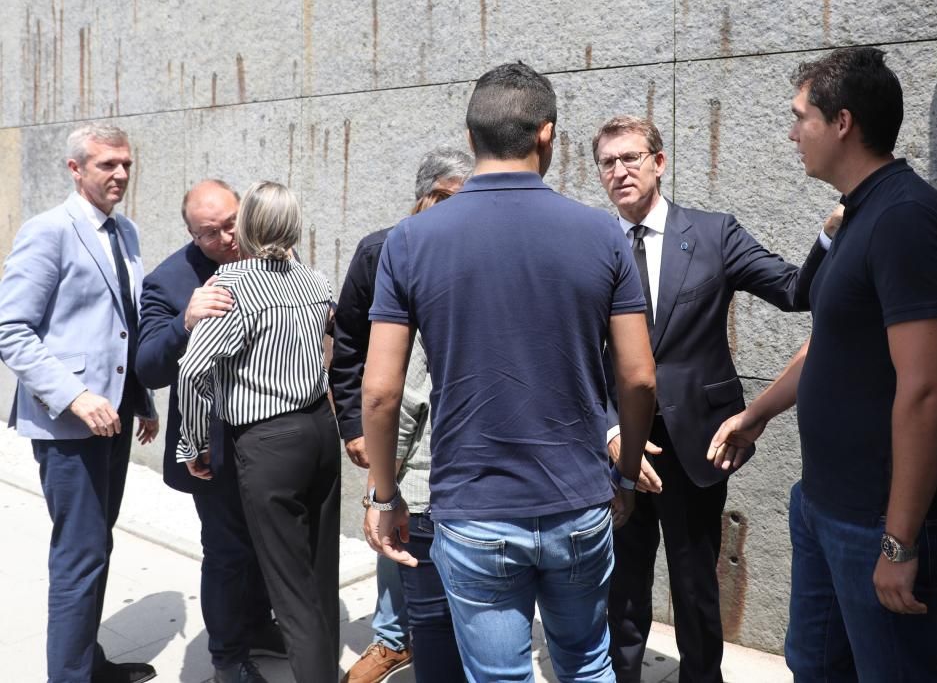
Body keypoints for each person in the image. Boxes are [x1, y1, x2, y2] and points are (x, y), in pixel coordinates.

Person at [363, 62, 658, 682]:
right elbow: (637, 379)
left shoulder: (411, 241)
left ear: (471, 140)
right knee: (586, 665)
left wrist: (384, 494)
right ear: (547, 135)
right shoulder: (602, 233)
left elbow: (382, 390)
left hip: (472, 509)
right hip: (578, 500)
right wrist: (626, 476)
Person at [710, 46, 937, 682]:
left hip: (876, 523)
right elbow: (830, 341)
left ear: (842, 122)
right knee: (815, 668)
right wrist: (756, 414)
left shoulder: (906, 219)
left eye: (801, 117)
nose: (793, 133)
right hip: (822, 506)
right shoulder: (856, 214)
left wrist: (899, 541)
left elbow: (929, 389)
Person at [593, 116, 833, 683]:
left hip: (695, 444)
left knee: (695, 586)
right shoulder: (592, 244)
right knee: (621, 589)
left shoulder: (713, 232)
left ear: (659, 161)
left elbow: (796, 291)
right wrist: (609, 433)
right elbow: (576, 351)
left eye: (632, 157)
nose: (621, 171)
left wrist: (830, 236)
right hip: (616, 446)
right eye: (608, 162)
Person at [0, 124, 159, 683]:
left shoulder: (126, 232)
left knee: (95, 549)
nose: (119, 175)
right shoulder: (49, 231)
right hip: (70, 427)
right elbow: (11, 330)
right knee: (79, 557)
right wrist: (75, 396)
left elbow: (123, 326)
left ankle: (86, 663)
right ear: (75, 169)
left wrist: (140, 397)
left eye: (126, 165)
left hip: (113, 421)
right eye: (106, 165)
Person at [176, 181, 341, 683]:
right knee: (319, 574)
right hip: (319, 431)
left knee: (289, 590)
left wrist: (193, 442)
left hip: (270, 443)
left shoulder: (231, 286)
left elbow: (191, 371)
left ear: (246, 226)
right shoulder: (313, 280)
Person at [136, 180, 287, 683]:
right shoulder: (168, 281)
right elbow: (148, 367)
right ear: (191, 236)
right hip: (211, 448)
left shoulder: (270, 255)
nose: (228, 237)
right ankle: (228, 659)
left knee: (268, 544)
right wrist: (185, 321)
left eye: (231, 223)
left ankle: (260, 625)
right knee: (227, 552)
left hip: (272, 435)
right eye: (211, 232)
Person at [334, 147, 472, 683]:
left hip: (452, 425)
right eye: (452, 198)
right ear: (427, 196)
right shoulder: (380, 251)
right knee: (394, 525)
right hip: (391, 419)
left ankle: (441, 633)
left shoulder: (475, 246)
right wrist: (354, 425)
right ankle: (394, 639)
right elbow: (346, 346)